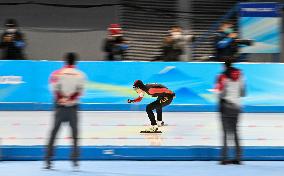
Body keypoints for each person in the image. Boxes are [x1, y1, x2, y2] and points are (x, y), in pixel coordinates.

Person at [45, 53, 86, 169]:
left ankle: (48, 160)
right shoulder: (80, 75)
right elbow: (80, 91)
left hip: (60, 107)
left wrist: (61, 98)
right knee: (75, 134)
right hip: (73, 107)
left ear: (64, 61)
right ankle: (75, 160)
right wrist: (70, 99)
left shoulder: (56, 73)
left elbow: (54, 89)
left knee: (54, 133)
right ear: (75, 62)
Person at [214, 60, 245, 165]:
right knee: (235, 132)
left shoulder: (221, 76)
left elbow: (220, 93)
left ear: (224, 66)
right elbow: (243, 92)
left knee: (225, 133)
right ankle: (238, 157)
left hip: (226, 106)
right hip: (237, 106)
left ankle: (224, 158)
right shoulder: (240, 75)